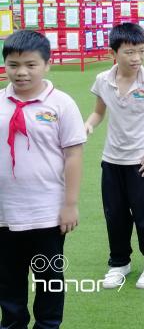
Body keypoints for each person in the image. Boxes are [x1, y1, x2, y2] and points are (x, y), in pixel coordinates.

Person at [0, 30, 85, 327]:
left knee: (49, 278)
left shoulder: (61, 104)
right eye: (13, 65)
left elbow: (73, 155)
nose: (21, 72)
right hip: (5, 213)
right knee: (8, 280)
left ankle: (48, 325)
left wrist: (70, 205)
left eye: (30, 64)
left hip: (46, 213)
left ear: (47, 65)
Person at [85, 23, 144, 289]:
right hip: (112, 160)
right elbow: (98, 112)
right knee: (115, 216)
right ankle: (119, 262)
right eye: (129, 52)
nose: (137, 57)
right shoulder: (103, 80)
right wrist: (88, 125)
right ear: (113, 53)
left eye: (141, 51)